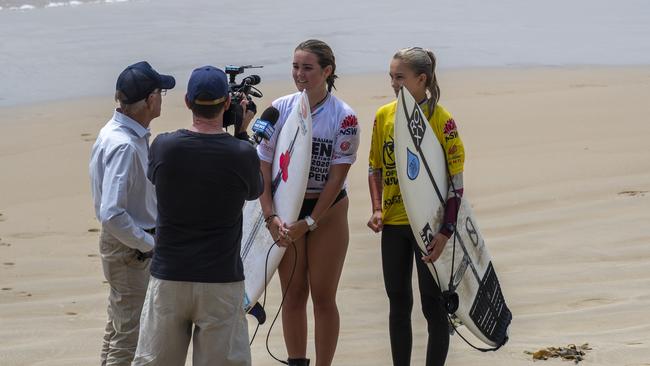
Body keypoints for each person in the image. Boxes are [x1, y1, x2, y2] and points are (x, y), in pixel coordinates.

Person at [131, 65, 262, 366]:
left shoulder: (164, 146)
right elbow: (255, 191)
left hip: (170, 274)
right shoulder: (241, 154)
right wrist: (241, 132)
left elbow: (156, 177)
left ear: (188, 102)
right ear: (227, 104)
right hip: (220, 277)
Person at [257, 39, 360, 366]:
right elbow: (262, 166)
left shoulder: (344, 118)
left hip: (327, 212)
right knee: (293, 294)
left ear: (327, 71)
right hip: (287, 209)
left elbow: (336, 177)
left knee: (323, 297)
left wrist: (311, 221)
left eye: (307, 67)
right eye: (295, 67)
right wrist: (270, 215)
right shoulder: (278, 108)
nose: (299, 74)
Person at [366, 47, 466, 366]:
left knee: (432, 306)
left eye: (400, 77)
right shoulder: (384, 116)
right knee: (398, 303)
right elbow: (374, 168)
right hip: (394, 224)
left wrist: (445, 232)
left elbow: (456, 183)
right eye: (391, 77)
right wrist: (377, 209)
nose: (394, 83)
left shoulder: (442, 120)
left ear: (421, 79)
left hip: (429, 227)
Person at [89, 61, 175, 366]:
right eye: (161, 92)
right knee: (129, 335)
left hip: (124, 245)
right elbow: (112, 213)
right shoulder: (124, 144)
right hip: (129, 248)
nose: (163, 98)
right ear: (151, 99)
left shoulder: (118, 131)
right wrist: (147, 244)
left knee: (118, 327)